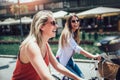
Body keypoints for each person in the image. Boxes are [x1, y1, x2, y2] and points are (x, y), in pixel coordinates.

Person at [11, 10, 83, 80]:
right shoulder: (31, 46)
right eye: (53, 23)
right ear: (41, 26)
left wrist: (78, 78)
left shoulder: (45, 45)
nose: (57, 26)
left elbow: (57, 65)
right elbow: (46, 77)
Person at [56, 13, 101, 79]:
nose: (76, 23)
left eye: (77, 20)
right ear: (69, 23)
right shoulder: (67, 33)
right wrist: (92, 56)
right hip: (62, 61)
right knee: (76, 78)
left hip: (69, 60)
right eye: (73, 21)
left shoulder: (73, 33)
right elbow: (77, 48)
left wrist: (87, 55)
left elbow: (74, 49)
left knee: (81, 77)